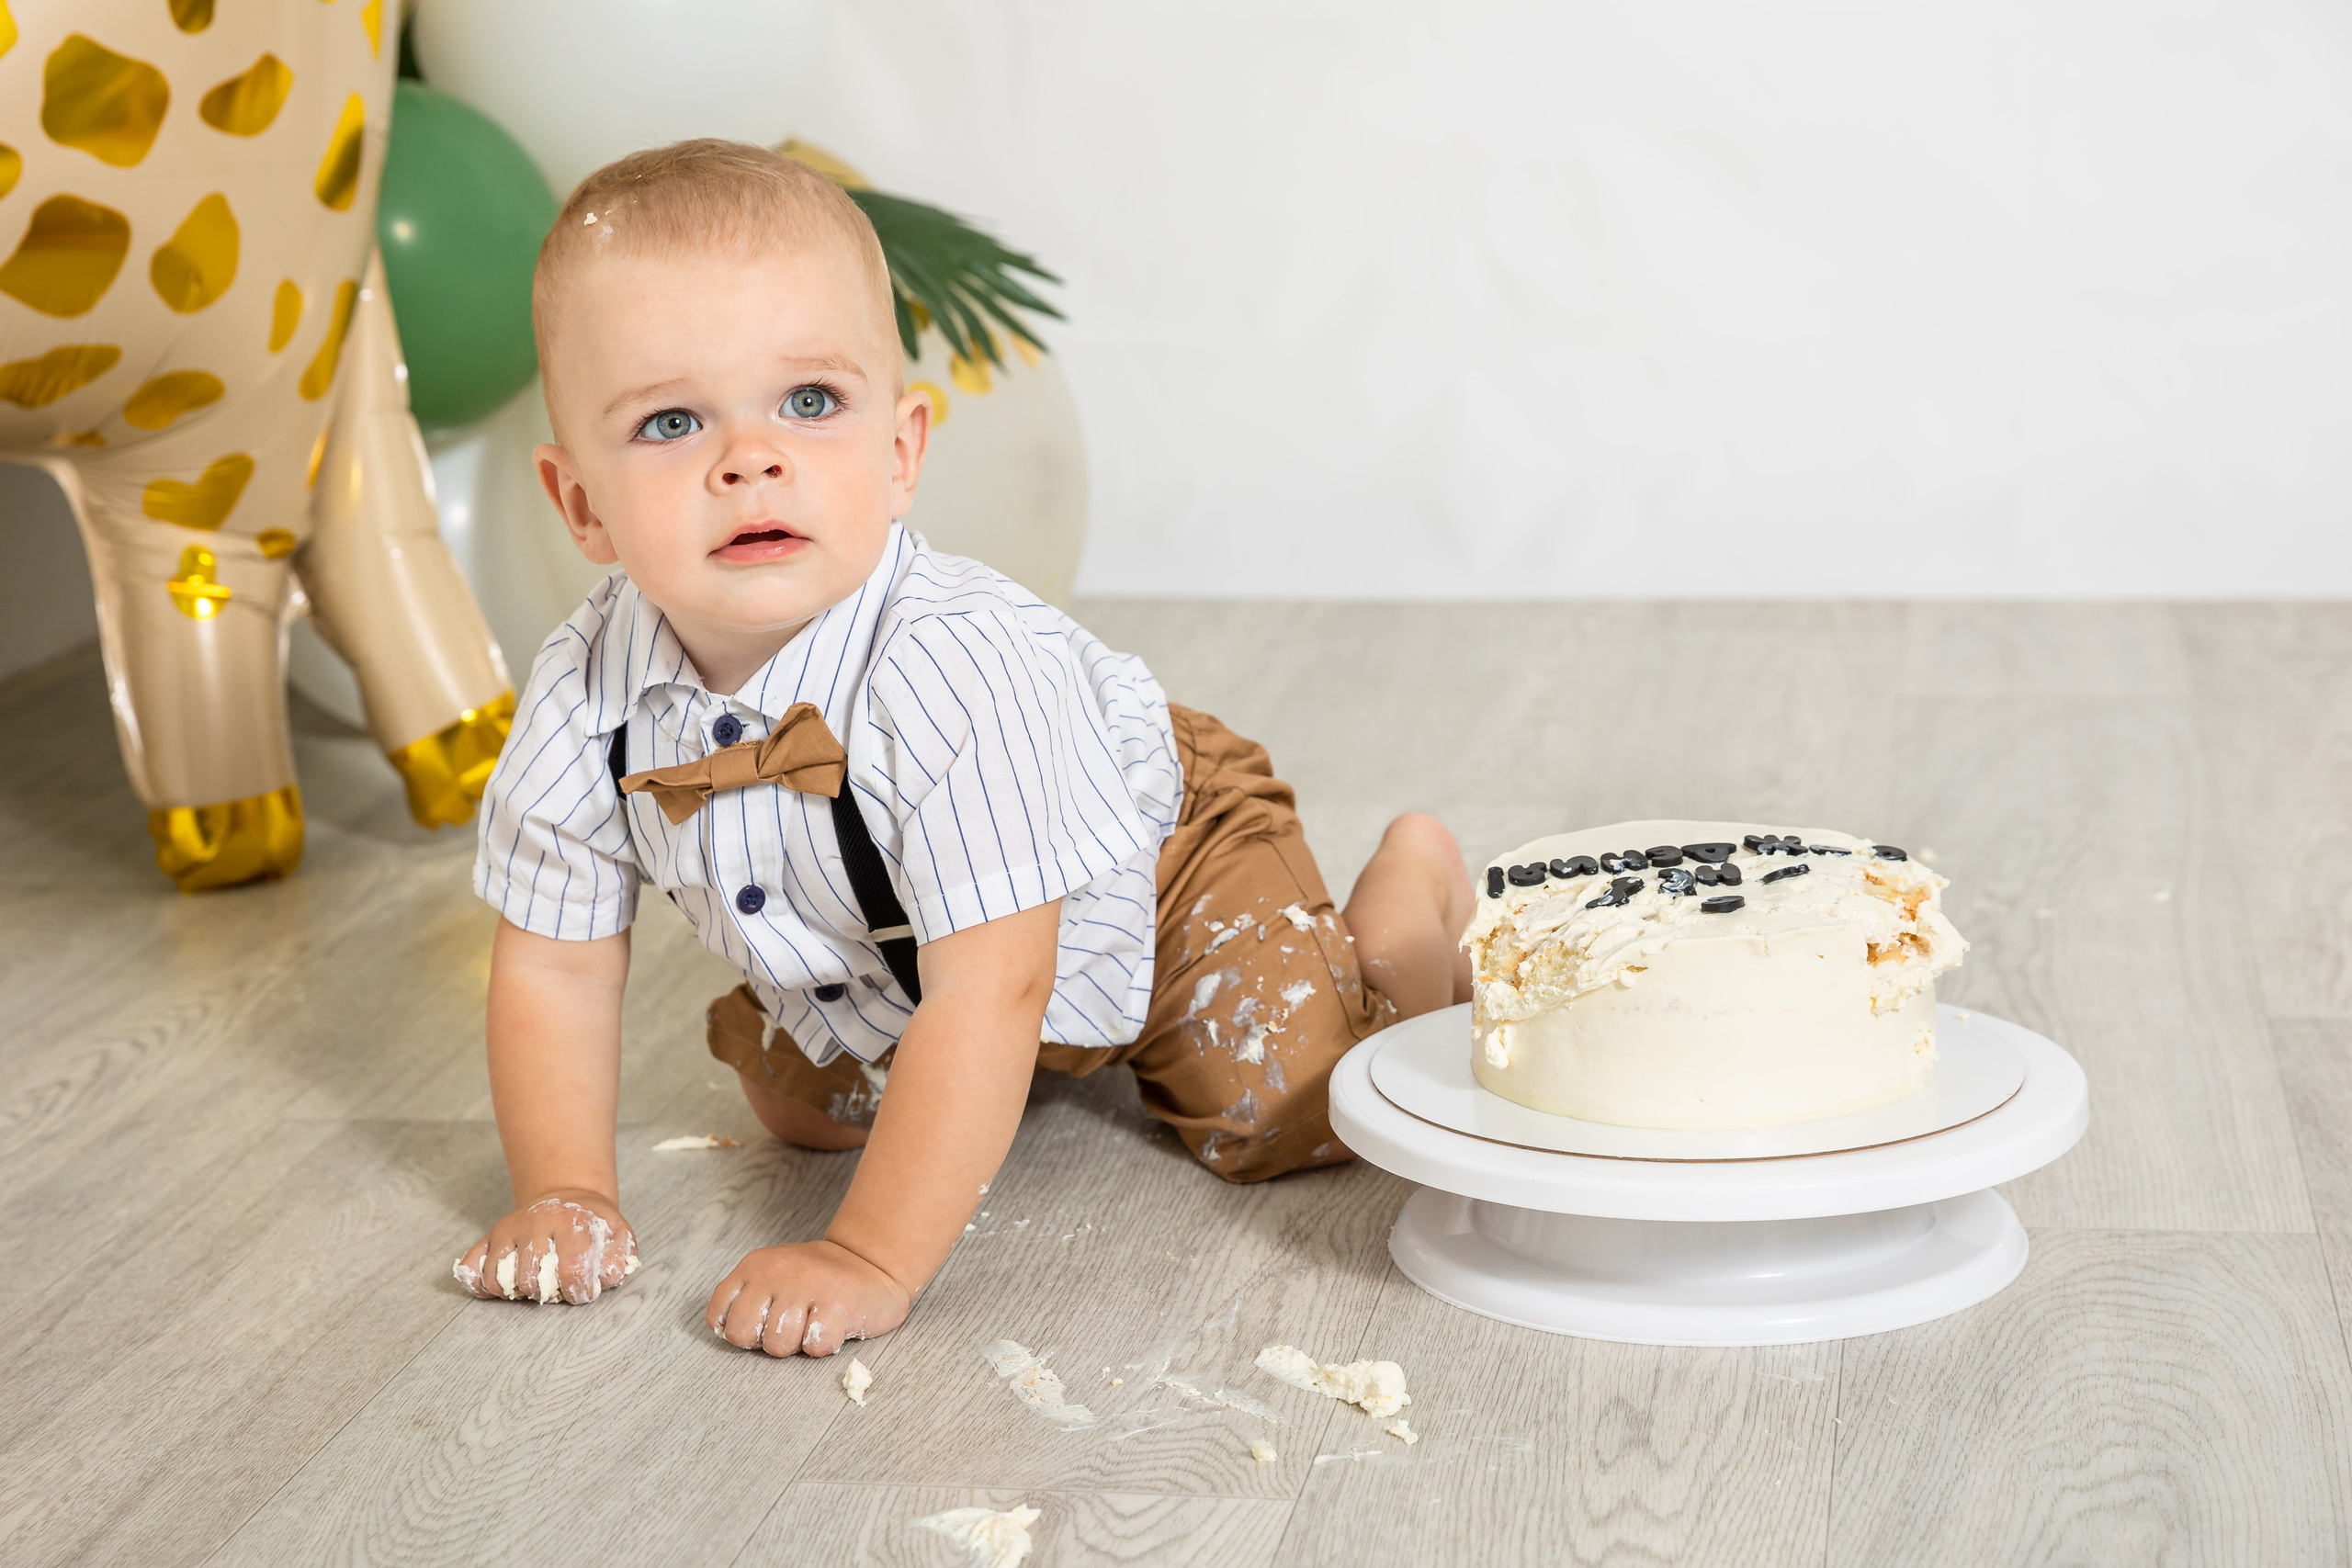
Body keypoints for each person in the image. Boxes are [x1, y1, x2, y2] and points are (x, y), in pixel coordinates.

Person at [452, 141, 1472, 1357]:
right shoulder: (583, 685)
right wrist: (566, 1190)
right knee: (804, 1113)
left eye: (810, 401)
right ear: (581, 507)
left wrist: (865, 1255)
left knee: (1285, 1109)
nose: (749, 456)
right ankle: (988, 1066)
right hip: (913, 943)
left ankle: (1404, 914)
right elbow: (556, 967)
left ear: (901, 454)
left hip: (1160, 857)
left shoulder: (953, 668)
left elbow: (1002, 981)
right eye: (672, 421)